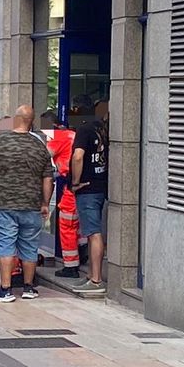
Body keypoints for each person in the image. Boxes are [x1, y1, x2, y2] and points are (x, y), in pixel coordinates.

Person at [0, 105, 54, 303]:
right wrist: (45, 203)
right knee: (30, 246)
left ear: (16, 119)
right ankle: (28, 288)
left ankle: (6, 289)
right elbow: (48, 178)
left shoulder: (0, 141)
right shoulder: (40, 146)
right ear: (31, 121)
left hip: (4, 204)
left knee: (6, 245)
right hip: (32, 205)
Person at [69, 96, 109, 295]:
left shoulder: (84, 130)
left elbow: (78, 156)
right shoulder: (102, 128)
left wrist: (75, 182)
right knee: (93, 231)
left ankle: (96, 279)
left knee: (93, 233)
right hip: (101, 186)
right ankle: (91, 275)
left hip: (87, 188)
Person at [41, 110, 75, 262]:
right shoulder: (70, 133)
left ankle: (70, 265)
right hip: (76, 181)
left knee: (66, 223)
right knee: (76, 225)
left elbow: (41, 157)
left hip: (71, 183)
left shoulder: (57, 137)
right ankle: (82, 250)